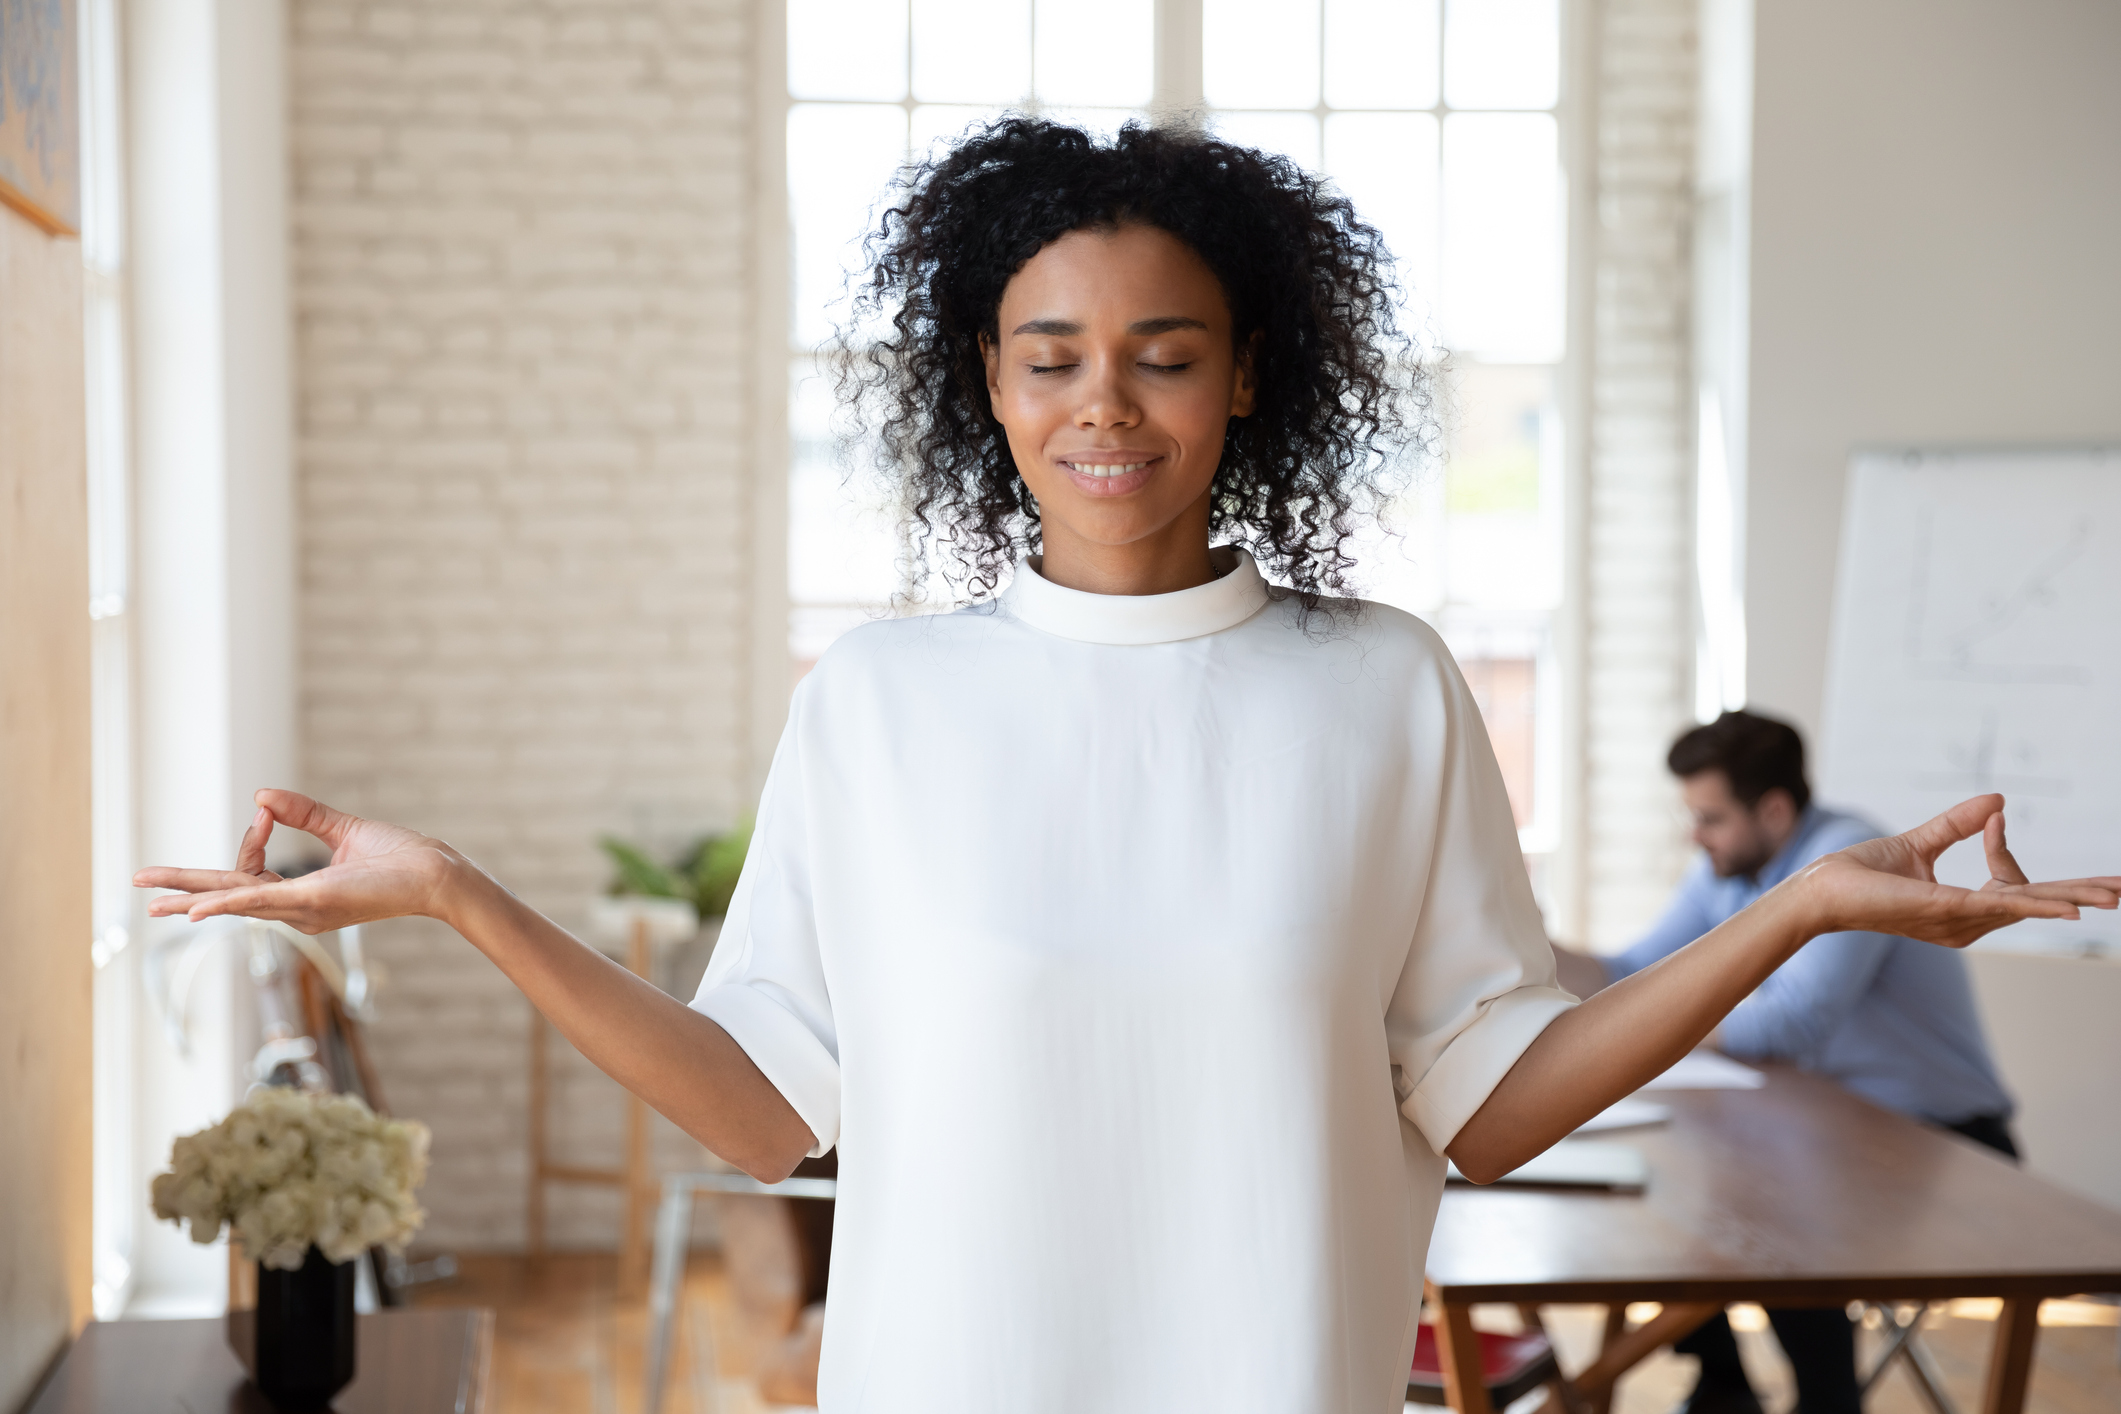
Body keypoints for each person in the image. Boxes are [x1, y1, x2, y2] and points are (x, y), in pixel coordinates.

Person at [134, 120, 2117, 1414]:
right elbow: (759, 1110)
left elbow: (1492, 1108)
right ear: (982, 381)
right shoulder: (882, 702)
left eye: (1162, 350)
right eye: (1046, 352)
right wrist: (458, 895)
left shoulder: (1381, 687)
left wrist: (1807, 906)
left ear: (1249, 372)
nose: (1104, 399)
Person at [1552, 709, 2021, 1414]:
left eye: (1709, 818)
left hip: (1945, 1142)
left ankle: (1824, 1402)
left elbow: (1793, 1023)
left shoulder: (1853, 859)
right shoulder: (1727, 867)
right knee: (1675, 1182)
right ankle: (1723, 1383)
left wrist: (1652, 1021)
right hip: (1829, 1129)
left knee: (1771, 1210)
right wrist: (1533, 946)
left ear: (1772, 809)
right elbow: (1634, 971)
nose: (1694, 835)